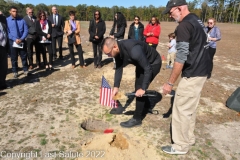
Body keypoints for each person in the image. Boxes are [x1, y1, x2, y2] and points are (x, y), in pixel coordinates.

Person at [161, 0, 210, 155]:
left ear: (179, 8)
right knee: (190, 108)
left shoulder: (183, 26)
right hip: (203, 70)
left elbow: (180, 57)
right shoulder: (196, 19)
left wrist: (170, 83)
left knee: (181, 109)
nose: (170, 15)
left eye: (171, 12)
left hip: (193, 73)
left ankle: (180, 146)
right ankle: (189, 139)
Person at [101, 37, 162, 128]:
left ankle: (137, 119)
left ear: (115, 47)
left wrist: (143, 88)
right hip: (141, 64)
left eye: (108, 53)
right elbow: (118, 69)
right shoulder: (117, 51)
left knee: (140, 89)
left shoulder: (134, 50)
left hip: (153, 63)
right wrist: (116, 87)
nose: (108, 56)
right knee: (138, 86)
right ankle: (145, 106)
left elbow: (148, 69)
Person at [7, 6, 29, 79]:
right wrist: (14, 39)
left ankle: (25, 69)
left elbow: (26, 30)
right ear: (10, 11)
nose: (15, 13)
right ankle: (15, 71)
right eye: (13, 11)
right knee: (14, 58)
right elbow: (7, 32)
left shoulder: (22, 20)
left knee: (24, 56)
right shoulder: (7, 20)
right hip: (12, 42)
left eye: (16, 11)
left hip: (22, 41)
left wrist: (21, 38)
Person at [0, 14, 9, 90]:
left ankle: (3, 83)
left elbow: (5, 31)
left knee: (4, 66)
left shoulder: (3, 18)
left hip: (3, 46)